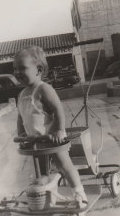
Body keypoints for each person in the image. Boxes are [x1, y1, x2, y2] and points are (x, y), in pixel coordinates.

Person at [13, 45, 87, 206]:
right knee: (41, 172)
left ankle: (79, 192)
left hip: (52, 139)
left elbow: (58, 109)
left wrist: (60, 130)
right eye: (15, 69)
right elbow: (21, 116)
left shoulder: (44, 89)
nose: (17, 73)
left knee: (64, 164)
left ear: (38, 70)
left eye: (22, 68)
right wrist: (21, 133)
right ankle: (46, 194)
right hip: (36, 142)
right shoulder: (21, 94)